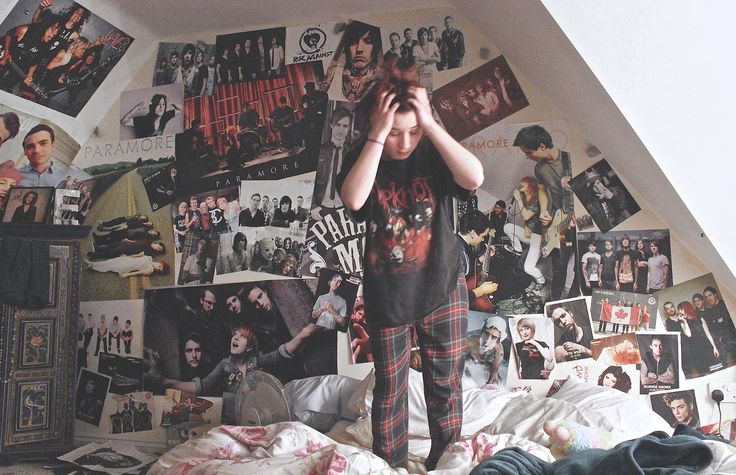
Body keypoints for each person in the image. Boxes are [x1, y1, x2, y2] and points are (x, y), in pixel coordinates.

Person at [339, 64, 483, 470]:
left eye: (411, 131)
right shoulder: (366, 155)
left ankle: (446, 463)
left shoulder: (431, 150)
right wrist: (377, 134)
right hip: (388, 296)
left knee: (445, 387)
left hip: (443, 285)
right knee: (390, 391)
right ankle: (391, 466)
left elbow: (473, 177)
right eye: (394, 132)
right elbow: (353, 200)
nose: (404, 142)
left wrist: (432, 126)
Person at [146, 323, 321, 423]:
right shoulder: (224, 366)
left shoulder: (256, 361)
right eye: (234, 336)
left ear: (250, 347)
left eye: (241, 336)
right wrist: (162, 380)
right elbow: (199, 387)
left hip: (264, 416)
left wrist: (306, 333)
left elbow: (282, 353)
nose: (235, 338)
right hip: (236, 419)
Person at [513, 125, 574, 300]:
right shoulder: (539, 169)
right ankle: (555, 302)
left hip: (578, 220)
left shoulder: (570, 159)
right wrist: (544, 211)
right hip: (557, 221)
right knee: (559, 265)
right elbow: (542, 190)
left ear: (541, 146)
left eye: (529, 152)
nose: (527, 156)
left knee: (580, 264)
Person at [503, 177, 545, 297]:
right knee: (507, 227)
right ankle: (517, 248)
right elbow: (530, 220)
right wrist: (527, 227)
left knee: (528, 268)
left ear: (530, 185)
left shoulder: (536, 199)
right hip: (529, 234)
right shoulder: (526, 200)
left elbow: (527, 216)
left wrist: (518, 199)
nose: (520, 184)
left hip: (537, 238)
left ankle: (542, 282)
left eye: (524, 183)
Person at [324, 21, 381, 102]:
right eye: (353, 41)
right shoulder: (332, 73)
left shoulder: (383, 77)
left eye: (368, 41)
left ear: (376, 47)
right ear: (346, 47)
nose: (359, 49)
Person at [313, 107, 352, 213]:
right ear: (331, 125)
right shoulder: (319, 151)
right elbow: (309, 180)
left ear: (349, 128)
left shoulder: (352, 154)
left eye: (345, 126)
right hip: (320, 207)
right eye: (338, 124)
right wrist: (313, 206)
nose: (341, 129)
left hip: (344, 209)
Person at [676, 301, 720, 377]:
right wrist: (684, 321)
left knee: (715, 370)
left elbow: (708, 334)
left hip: (707, 347)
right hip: (695, 350)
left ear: (687, 308)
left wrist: (714, 347)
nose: (680, 311)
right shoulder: (682, 323)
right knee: (704, 372)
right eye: (679, 310)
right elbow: (689, 335)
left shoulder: (700, 318)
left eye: (681, 309)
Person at [702, 286, 736, 366]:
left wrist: (720, 321)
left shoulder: (725, 304)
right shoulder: (710, 311)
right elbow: (714, 326)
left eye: (710, 295)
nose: (708, 298)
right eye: (706, 297)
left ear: (715, 294)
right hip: (725, 343)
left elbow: (728, 322)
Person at [84, 253, 169, 278]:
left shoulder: (150, 270)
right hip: (127, 260)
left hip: (127, 267)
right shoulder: (150, 257)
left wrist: (127, 274)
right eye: (160, 266)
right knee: (109, 261)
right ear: (161, 263)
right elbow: (137, 255)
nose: (157, 268)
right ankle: (91, 263)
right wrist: (127, 256)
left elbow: (138, 272)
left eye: (159, 270)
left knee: (109, 267)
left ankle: (93, 267)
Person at [412, 28, 440, 94]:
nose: (423, 37)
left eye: (425, 34)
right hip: (423, 74)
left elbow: (439, 59)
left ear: (427, 35)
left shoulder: (433, 45)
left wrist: (424, 60)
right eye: (421, 35)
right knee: (426, 94)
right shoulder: (416, 48)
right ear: (418, 37)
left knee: (437, 91)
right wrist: (432, 59)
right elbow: (416, 63)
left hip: (433, 71)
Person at [86, 239, 165, 260]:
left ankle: (94, 255)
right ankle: (97, 248)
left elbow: (139, 255)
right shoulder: (148, 241)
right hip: (126, 243)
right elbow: (137, 241)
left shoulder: (150, 252)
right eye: (159, 248)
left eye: (159, 251)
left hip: (126, 250)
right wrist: (128, 240)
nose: (158, 249)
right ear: (158, 244)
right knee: (110, 246)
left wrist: (126, 257)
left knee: (109, 252)